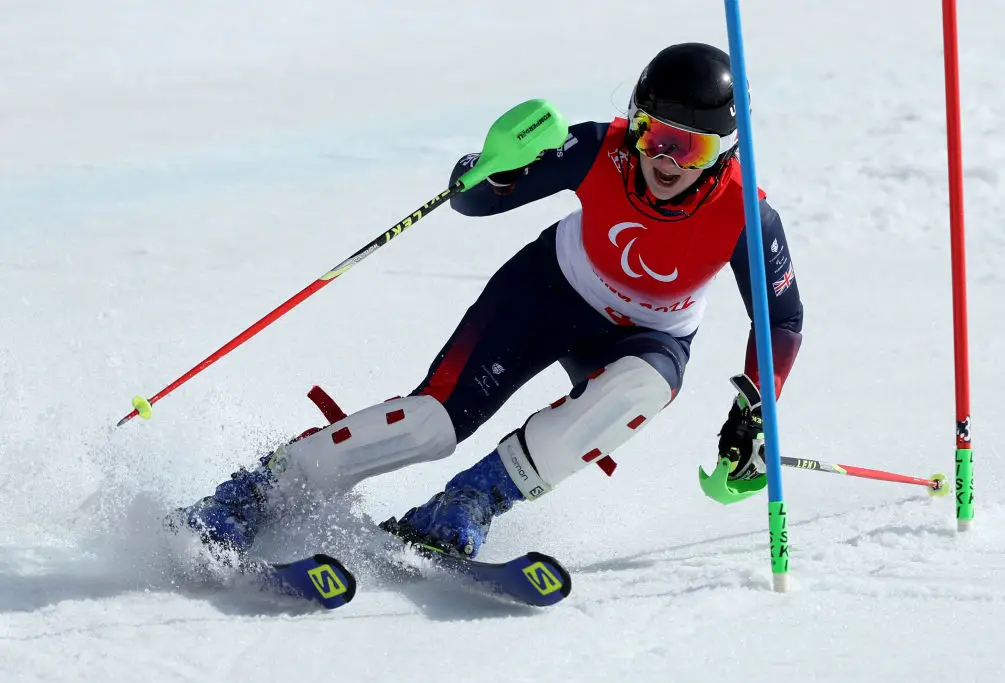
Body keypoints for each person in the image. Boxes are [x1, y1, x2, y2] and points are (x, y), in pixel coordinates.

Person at [170, 42, 804, 560]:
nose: (663, 159)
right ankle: (256, 493)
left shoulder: (748, 215)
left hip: (647, 335)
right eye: (652, 134)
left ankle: (467, 503)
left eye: (687, 146)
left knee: (645, 389)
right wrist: (494, 169)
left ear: (724, 152)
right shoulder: (598, 149)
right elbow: (474, 200)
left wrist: (754, 409)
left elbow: (780, 320)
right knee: (434, 422)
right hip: (550, 291)